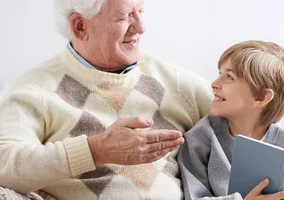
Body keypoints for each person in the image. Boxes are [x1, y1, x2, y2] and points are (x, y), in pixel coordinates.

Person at [0, 0, 214, 199]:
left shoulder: (178, 84)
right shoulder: (37, 88)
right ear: (80, 26)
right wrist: (97, 150)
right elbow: (4, 163)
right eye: (124, 17)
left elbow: (244, 130)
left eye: (140, 11)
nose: (141, 27)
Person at [178, 40, 284, 200]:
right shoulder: (200, 139)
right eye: (220, 74)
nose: (214, 83)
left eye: (229, 77)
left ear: (261, 97)